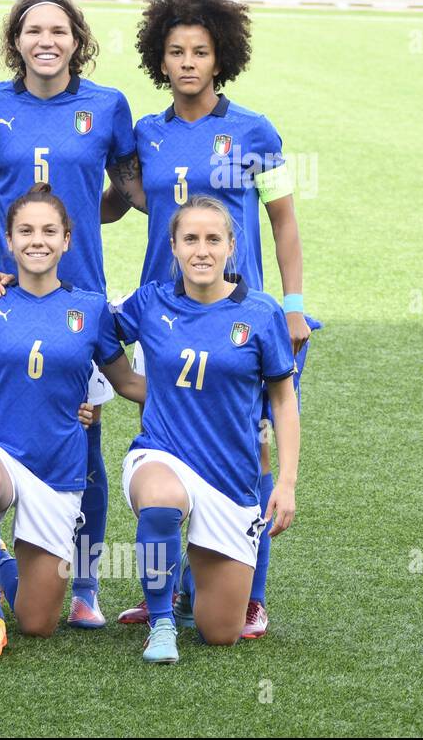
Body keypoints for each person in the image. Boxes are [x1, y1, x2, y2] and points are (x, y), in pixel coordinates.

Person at [109, 0, 317, 636]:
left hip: (243, 315)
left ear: (219, 57)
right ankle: (163, 586)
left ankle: (248, 593)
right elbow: (130, 203)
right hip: (166, 311)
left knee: (250, 450)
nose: (189, 62)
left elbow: (283, 223)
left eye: (200, 51)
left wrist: (291, 305)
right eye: (177, 52)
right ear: (159, 60)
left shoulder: (254, 130)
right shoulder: (148, 134)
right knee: (171, 441)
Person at [0, 0, 140, 626]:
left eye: (59, 29)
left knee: (83, 436)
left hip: (80, 295)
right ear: (17, 41)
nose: (46, 40)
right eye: (33, 30)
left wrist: (80, 219)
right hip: (1, 288)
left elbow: (130, 190)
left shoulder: (108, 106)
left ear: (77, 39)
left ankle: (84, 583)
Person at [0, 188, 144, 656]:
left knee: (38, 624)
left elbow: (127, 383)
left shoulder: (92, 308)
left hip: (58, 467)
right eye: (25, 232)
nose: (37, 241)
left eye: (48, 232)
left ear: (67, 241)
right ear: (9, 240)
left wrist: (206, 396)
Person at [112, 195, 299, 663]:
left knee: (220, 633)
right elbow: (81, 332)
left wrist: (287, 483)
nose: (201, 250)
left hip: (230, 478)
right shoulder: (151, 302)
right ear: (172, 246)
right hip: (161, 455)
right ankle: (160, 620)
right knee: (159, 502)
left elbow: (282, 398)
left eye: (213, 239)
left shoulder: (260, 313)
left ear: (230, 247)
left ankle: (199, 564)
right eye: (190, 239)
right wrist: (126, 385)